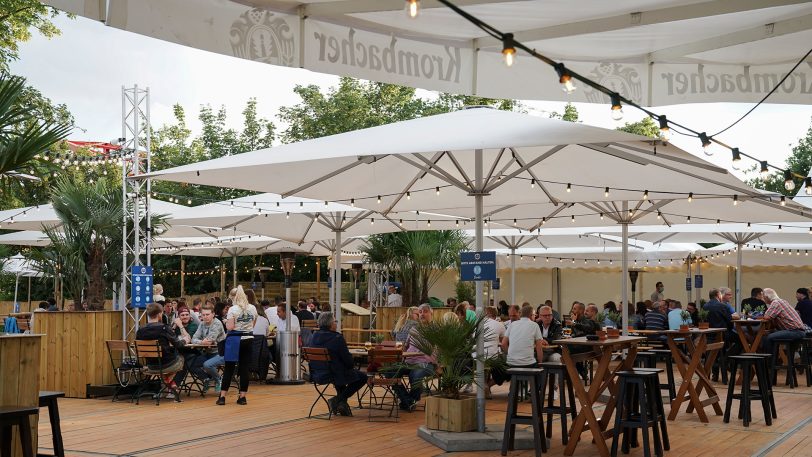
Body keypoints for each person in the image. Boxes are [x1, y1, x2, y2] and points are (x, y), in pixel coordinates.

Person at [308, 312, 366, 416]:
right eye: (335, 321)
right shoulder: (337, 338)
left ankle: (341, 404)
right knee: (362, 377)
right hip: (333, 374)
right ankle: (337, 400)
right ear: (331, 324)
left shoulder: (313, 336)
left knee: (341, 375)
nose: (336, 323)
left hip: (317, 373)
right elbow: (349, 362)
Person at [216, 286, 258, 406]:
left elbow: (230, 327)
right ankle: (242, 397)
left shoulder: (233, 309)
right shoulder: (252, 308)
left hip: (234, 339)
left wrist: (226, 322)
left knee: (229, 368)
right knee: (244, 368)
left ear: (233, 298)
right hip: (249, 338)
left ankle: (222, 397)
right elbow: (253, 324)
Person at [135, 303, 185, 401]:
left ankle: (167, 383)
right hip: (167, 364)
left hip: (150, 366)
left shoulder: (140, 330)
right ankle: (169, 382)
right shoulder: (164, 328)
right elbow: (178, 345)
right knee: (182, 358)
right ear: (160, 314)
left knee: (165, 360)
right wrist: (185, 340)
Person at [393, 304, 436, 411]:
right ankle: (408, 400)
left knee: (415, 375)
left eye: (425, 311)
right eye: (420, 312)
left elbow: (443, 349)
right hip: (409, 361)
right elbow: (405, 346)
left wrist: (440, 365)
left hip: (426, 363)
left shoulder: (437, 329)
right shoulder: (414, 328)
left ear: (431, 313)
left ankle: (409, 400)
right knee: (389, 373)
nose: (422, 314)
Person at [761, 288, 807, 355]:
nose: (763, 299)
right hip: (799, 331)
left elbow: (767, 317)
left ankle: (770, 363)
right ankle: (776, 361)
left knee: (768, 337)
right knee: (767, 334)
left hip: (794, 331)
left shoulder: (776, 302)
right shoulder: (782, 301)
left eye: (763, 297)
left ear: (767, 297)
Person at [192, 302, 226, 392]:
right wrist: (202, 342)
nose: (205, 316)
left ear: (213, 314)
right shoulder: (202, 324)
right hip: (208, 353)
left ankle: (218, 379)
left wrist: (201, 342)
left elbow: (210, 341)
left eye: (207, 314)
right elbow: (194, 338)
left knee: (207, 365)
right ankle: (206, 379)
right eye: (203, 315)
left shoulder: (217, 324)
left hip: (221, 353)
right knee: (191, 364)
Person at [501, 305, 545, 372]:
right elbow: (539, 347)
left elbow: (503, 344)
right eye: (534, 315)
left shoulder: (512, 324)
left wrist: (510, 355)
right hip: (528, 364)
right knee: (541, 371)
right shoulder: (535, 325)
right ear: (531, 315)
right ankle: (536, 382)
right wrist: (540, 364)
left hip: (510, 363)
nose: (535, 317)